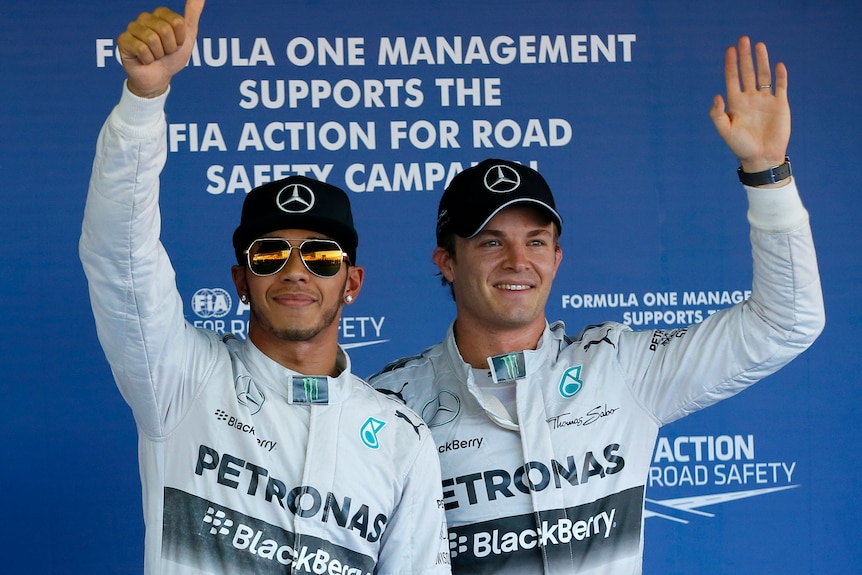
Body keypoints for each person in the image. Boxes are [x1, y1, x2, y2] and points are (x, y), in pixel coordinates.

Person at [368, 36, 825, 574]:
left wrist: (767, 171)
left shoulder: (619, 368)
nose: (518, 260)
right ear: (447, 261)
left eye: (536, 241)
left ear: (557, 258)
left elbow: (786, 321)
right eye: (491, 242)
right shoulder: (391, 406)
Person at [79, 2, 450, 574]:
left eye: (322, 255)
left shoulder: (403, 439)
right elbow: (118, 258)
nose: (296, 270)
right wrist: (143, 101)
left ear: (352, 282)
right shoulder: (181, 377)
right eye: (270, 253)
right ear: (241, 281)